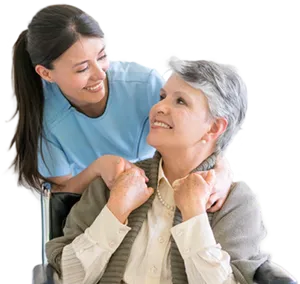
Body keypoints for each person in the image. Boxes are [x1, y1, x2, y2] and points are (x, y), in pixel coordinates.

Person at [45, 56, 271, 284]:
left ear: (215, 127)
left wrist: (194, 215)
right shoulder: (115, 183)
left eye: (180, 101)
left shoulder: (235, 200)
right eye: (162, 96)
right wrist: (116, 210)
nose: (158, 108)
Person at [8, 3, 233, 212]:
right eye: (82, 68)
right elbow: (61, 195)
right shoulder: (44, 118)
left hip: (161, 193)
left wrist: (222, 171)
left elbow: (199, 135)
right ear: (46, 73)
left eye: (102, 56)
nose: (99, 74)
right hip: (95, 207)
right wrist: (97, 169)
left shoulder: (143, 86)